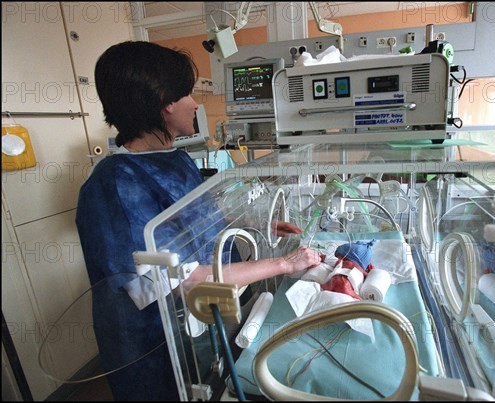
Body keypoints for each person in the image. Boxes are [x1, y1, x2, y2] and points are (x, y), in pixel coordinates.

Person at [75, 41, 320, 401]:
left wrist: (257, 225)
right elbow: (180, 281)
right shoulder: (114, 186)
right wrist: (284, 263)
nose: (195, 104)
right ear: (164, 101)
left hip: (205, 325)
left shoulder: (175, 159)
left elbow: (200, 224)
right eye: (187, 94)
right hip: (160, 346)